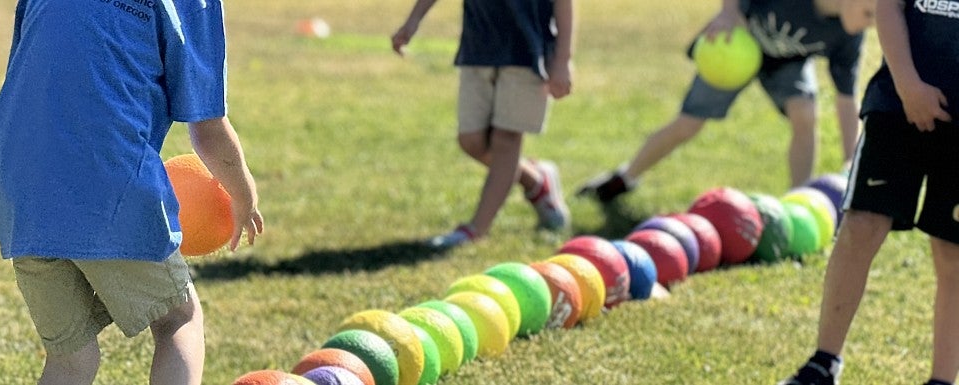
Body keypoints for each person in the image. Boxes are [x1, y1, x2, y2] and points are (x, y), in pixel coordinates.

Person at [0, 0, 264, 383]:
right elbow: (208, 129)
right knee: (178, 320)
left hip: (19, 182)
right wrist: (244, 195)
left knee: (70, 358)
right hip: (110, 181)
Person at [779, 0, 959, 383]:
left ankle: (941, 379)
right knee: (861, 223)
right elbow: (889, 7)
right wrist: (908, 85)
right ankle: (823, 364)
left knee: (953, 251)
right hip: (897, 102)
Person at [578, 0, 876, 204]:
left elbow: (846, 99)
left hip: (786, 63)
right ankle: (625, 177)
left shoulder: (849, 36)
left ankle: (796, 204)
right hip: (736, 42)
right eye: (870, 14)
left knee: (805, 115)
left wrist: (851, 162)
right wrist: (729, 12)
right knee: (688, 124)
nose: (872, 25)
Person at [390, 0, 576, 248]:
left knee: (506, 141)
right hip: (477, 49)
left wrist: (562, 59)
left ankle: (476, 228)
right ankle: (536, 181)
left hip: (528, 53)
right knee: (471, 141)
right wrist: (413, 20)